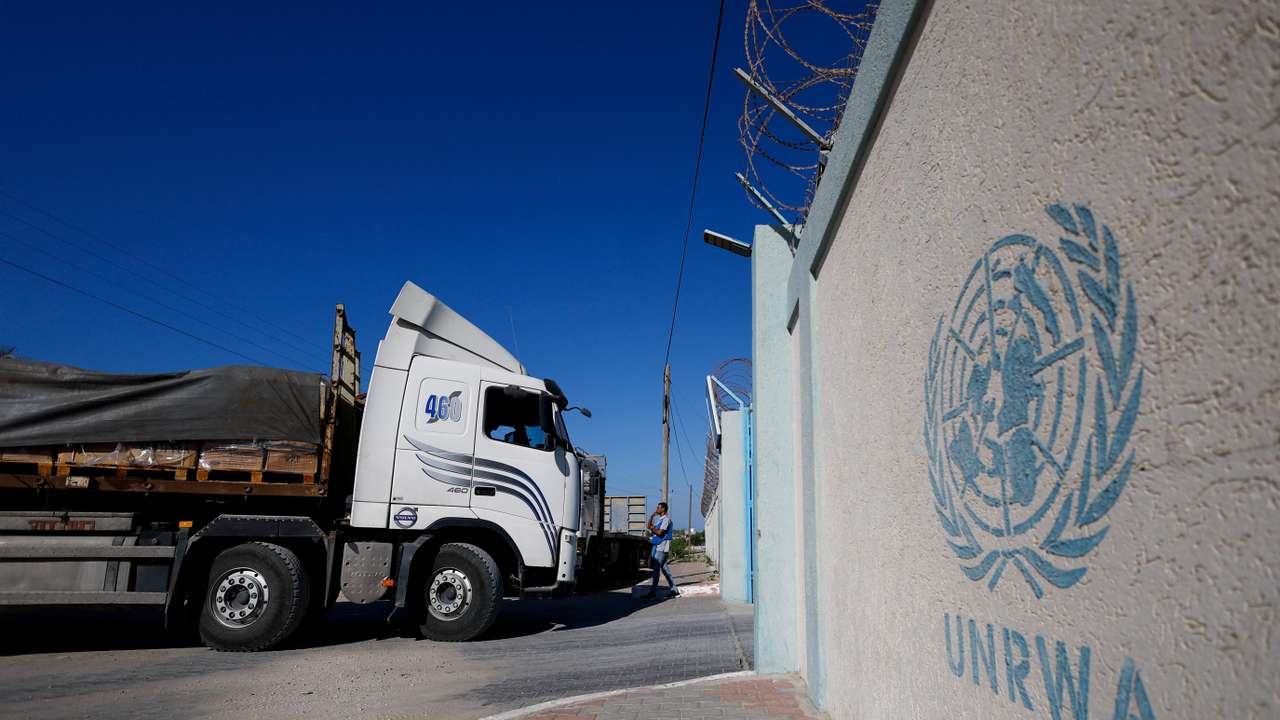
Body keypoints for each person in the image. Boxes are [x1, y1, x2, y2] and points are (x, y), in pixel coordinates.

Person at [640, 502, 678, 599]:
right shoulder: (659, 520)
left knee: (656, 570)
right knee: (665, 569)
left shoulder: (666, 520)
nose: (657, 508)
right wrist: (652, 515)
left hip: (662, 546)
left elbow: (660, 533)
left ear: (663, 509)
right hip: (657, 545)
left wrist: (653, 529)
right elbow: (649, 526)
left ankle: (653, 592)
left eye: (658, 507)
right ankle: (674, 590)